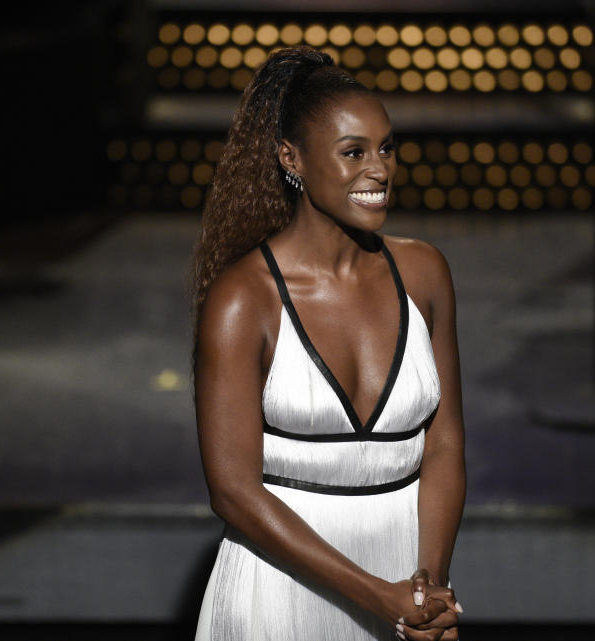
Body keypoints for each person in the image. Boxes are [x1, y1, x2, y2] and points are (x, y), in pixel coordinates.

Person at [189, 46, 466, 641]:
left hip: (405, 583)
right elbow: (232, 492)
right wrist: (379, 596)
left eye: (387, 148)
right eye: (353, 152)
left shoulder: (424, 274)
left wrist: (426, 589)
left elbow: (443, 444)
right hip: (280, 595)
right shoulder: (244, 300)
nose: (380, 169)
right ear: (292, 159)